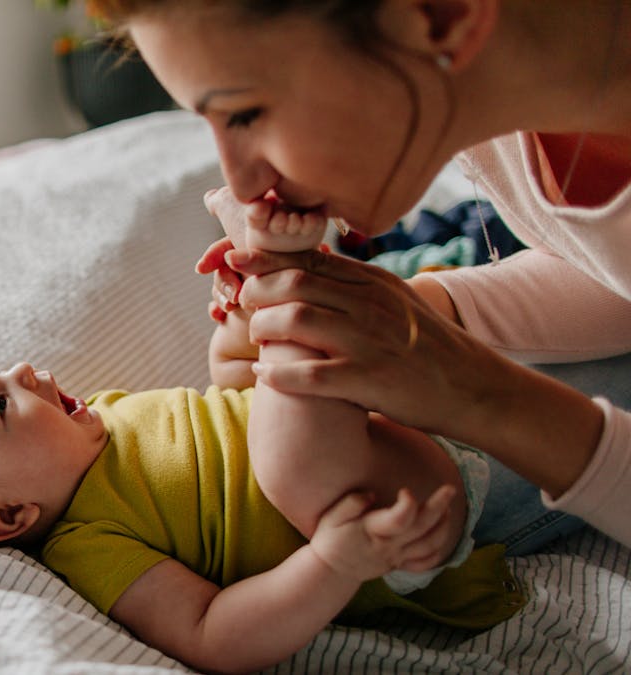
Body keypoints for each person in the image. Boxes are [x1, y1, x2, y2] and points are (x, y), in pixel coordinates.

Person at [87, 0, 631, 550]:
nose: (245, 184)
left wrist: (478, 392)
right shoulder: (500, 101)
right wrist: (418, 312)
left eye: (247, 113)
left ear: (440, 15)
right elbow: (611, 270)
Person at [0, 286, 524, 673]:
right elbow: (212, 633)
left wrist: (233, 337)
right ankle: (287, 269)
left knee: (269, 364)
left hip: (397, 424)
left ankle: (288, 297)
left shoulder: (105, 414)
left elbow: (226, 405)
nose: (22, 370)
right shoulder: (88, 543)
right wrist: (332, 562)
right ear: (10, 516)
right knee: (291, 420)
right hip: (382, 517)